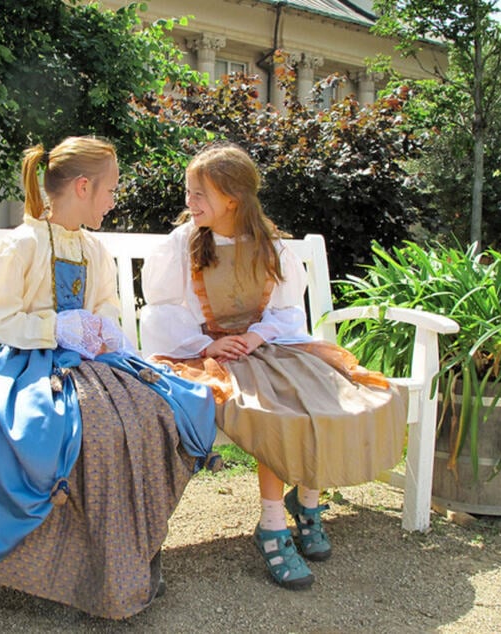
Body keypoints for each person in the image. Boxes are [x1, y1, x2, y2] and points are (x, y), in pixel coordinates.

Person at [0, 136, 219, 619]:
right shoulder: (23, 243)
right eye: (111, 190)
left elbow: (107, 303)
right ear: (84, 186)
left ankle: (130, 558)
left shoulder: (93, 247)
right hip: (32, 366)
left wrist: (101, 326)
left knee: (154, 414)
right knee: (92, 431)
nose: (115, 200)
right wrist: (55, 326)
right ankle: (70, 572)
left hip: (90, 362)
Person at [140, 142, 406, 590]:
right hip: (207, 355)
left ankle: (307, 503)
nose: (190, 202)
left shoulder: (271, 248)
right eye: (189, 192)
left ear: (233, 198)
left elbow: (285, 312)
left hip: (269, 346)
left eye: (199, 194)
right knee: (274, 410)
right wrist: (206, 345)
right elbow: (163, 310)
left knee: (325, 397)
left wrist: (256, 336)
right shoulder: (182, 245)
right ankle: (272, 524)